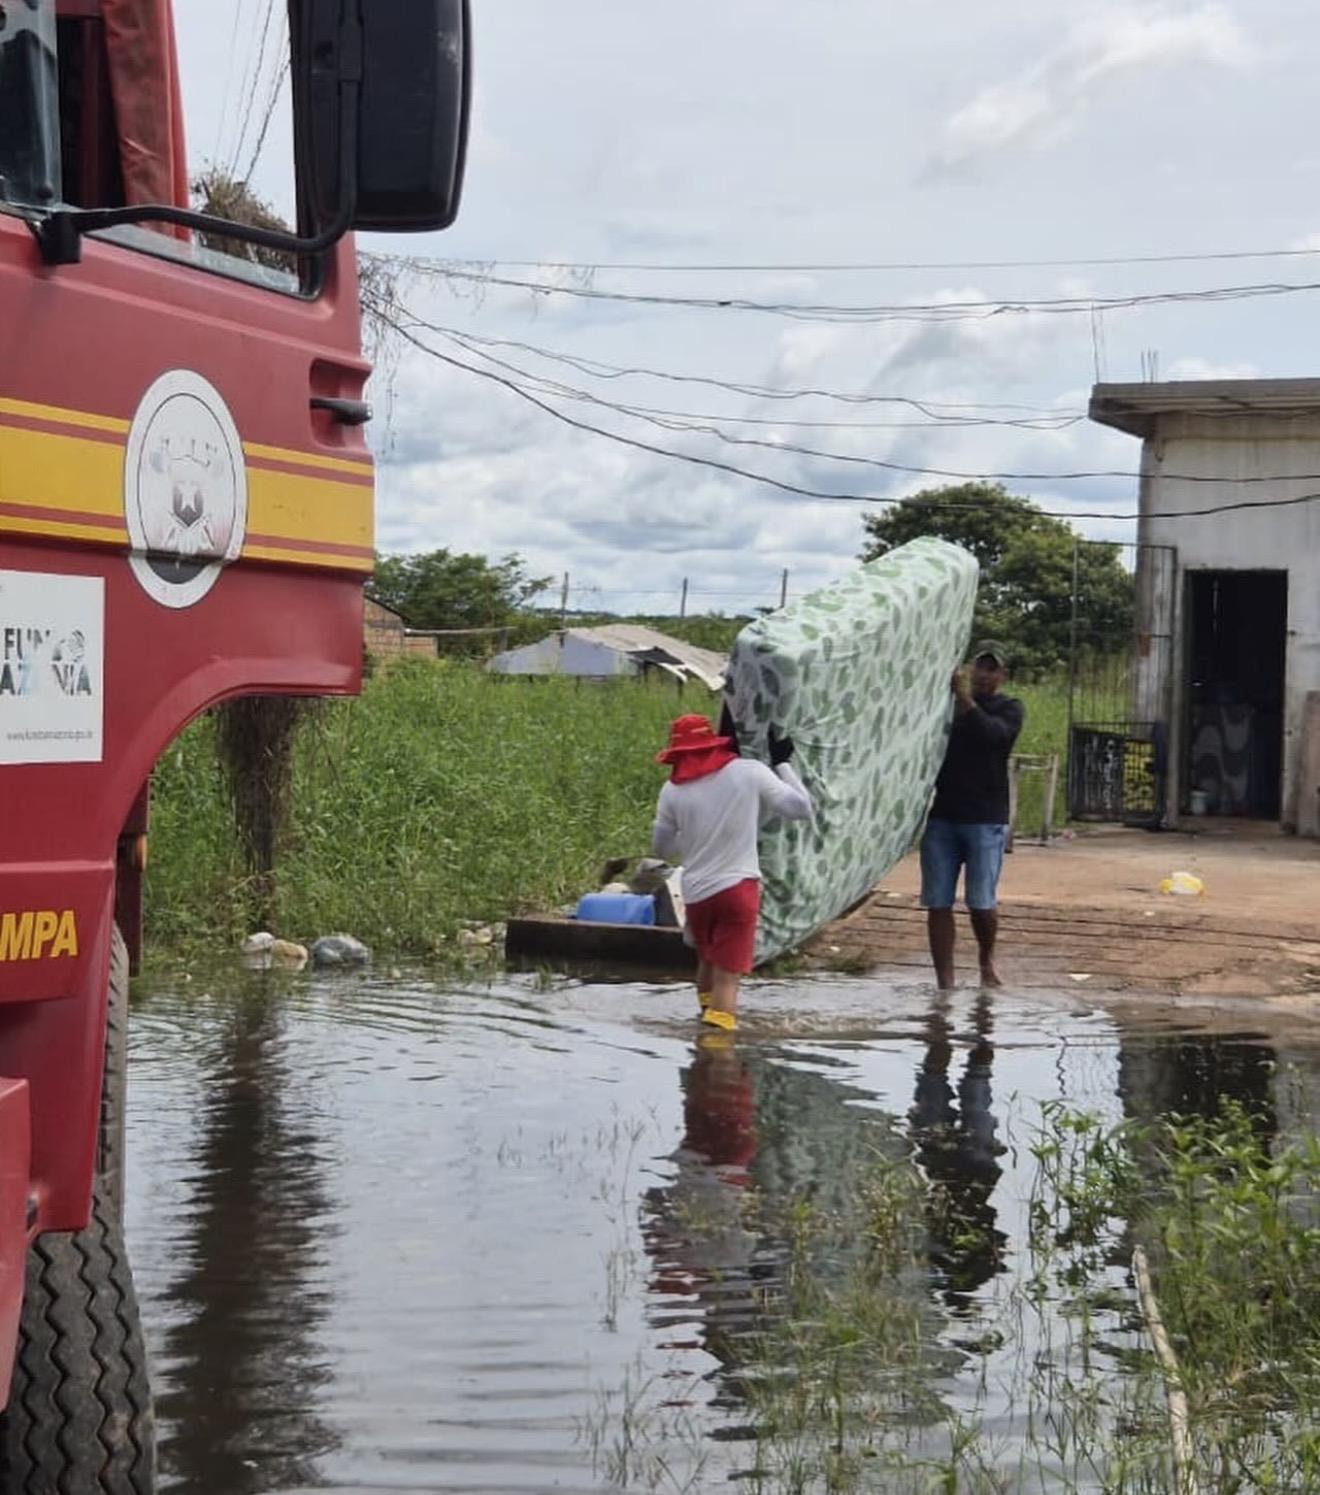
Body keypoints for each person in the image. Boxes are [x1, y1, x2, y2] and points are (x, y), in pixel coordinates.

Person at [651, 713, 812, 1032]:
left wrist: (693, 836)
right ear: (713, 742)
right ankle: (717, 1055)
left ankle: (704, 1041)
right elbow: (801, 809)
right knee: (728, 979)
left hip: (696, 895)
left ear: (678, 753)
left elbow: (663, 851)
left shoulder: (671, 791)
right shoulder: (749, 773)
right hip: (737, 890)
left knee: (707, 963)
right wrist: (782, 763)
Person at [920, 641, 1024, 990]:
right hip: (943, 817)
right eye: (980, 666)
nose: (984, 674)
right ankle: (944, 982)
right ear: (969, 669)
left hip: (985, 819)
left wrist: (964, 701)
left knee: (981, 902)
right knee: (937, 902)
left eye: (992, 668)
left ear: (1002, 675)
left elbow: (995, 738)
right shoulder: (942, 707)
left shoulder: (1010, 708)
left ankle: (985, 959)